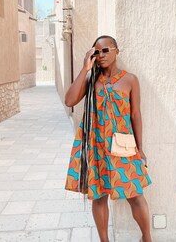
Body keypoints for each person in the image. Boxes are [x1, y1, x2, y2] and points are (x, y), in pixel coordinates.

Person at [64, 35, 152, 242]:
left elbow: (135, 115)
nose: (101, 55)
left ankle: (147, 237)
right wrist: (85, 69)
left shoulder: (130, 80)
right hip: (96, 146)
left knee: (135, 195)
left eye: (105, 50)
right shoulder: (91, 80)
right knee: (99, 194)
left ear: (116, 51)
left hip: (123, 145)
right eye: (97, 52)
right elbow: (69, 100)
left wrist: (140, 149)